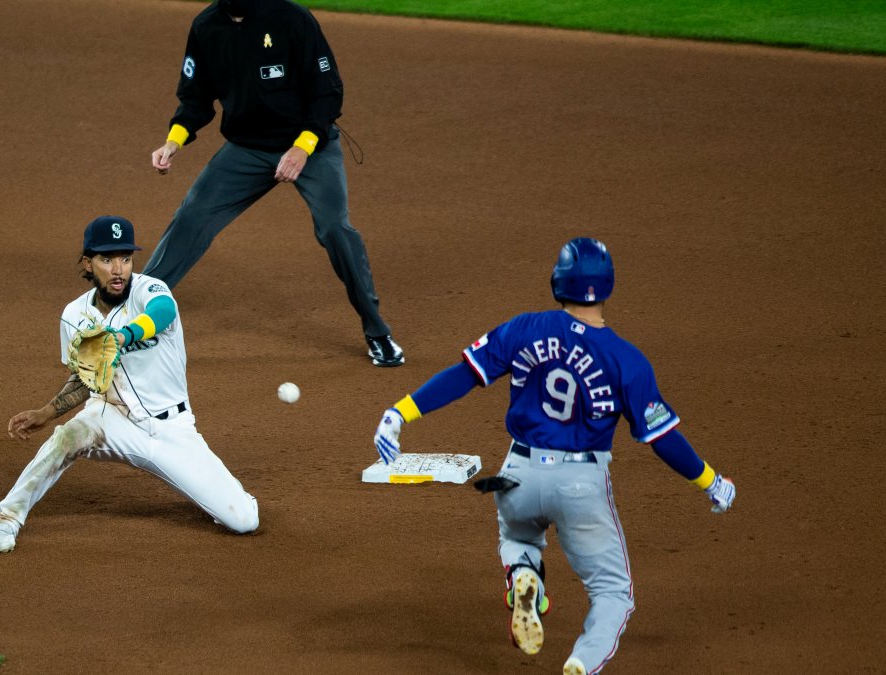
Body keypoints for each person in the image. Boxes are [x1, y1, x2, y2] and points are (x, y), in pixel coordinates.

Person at [371, 238, 736, 674]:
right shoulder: (627, 360)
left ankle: (524, 574)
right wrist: (711, 481)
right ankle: (582, 662)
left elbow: (464, 375)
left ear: (557, 282)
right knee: (613, 594)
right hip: (581, 486)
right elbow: (663, 440)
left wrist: (400, 413)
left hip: (518, 475)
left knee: (518, 537)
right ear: (608, 287)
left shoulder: (524, 328)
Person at [147, 0, 403, 367]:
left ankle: (378, 333)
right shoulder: (206, 27)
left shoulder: (291, 18)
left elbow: (327, 92)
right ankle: (132, 311)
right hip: (246, 149)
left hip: (310, 145)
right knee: (192, 216)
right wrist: (173, 141)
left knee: (335, 228)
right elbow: (195, 99)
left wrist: (302, 148)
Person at [0, 215, 259, 553]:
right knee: (66, 437)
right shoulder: (73, 315)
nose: (118, 269)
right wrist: (48, 412)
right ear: (88, 262)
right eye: (107, 259)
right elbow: (86, 376)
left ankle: (221, 492)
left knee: (244, 521)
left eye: (125, 258)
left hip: (173, 429)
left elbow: (162, 312)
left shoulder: (150, 290)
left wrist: (124, 335)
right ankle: (6, 517)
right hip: (111, 418)